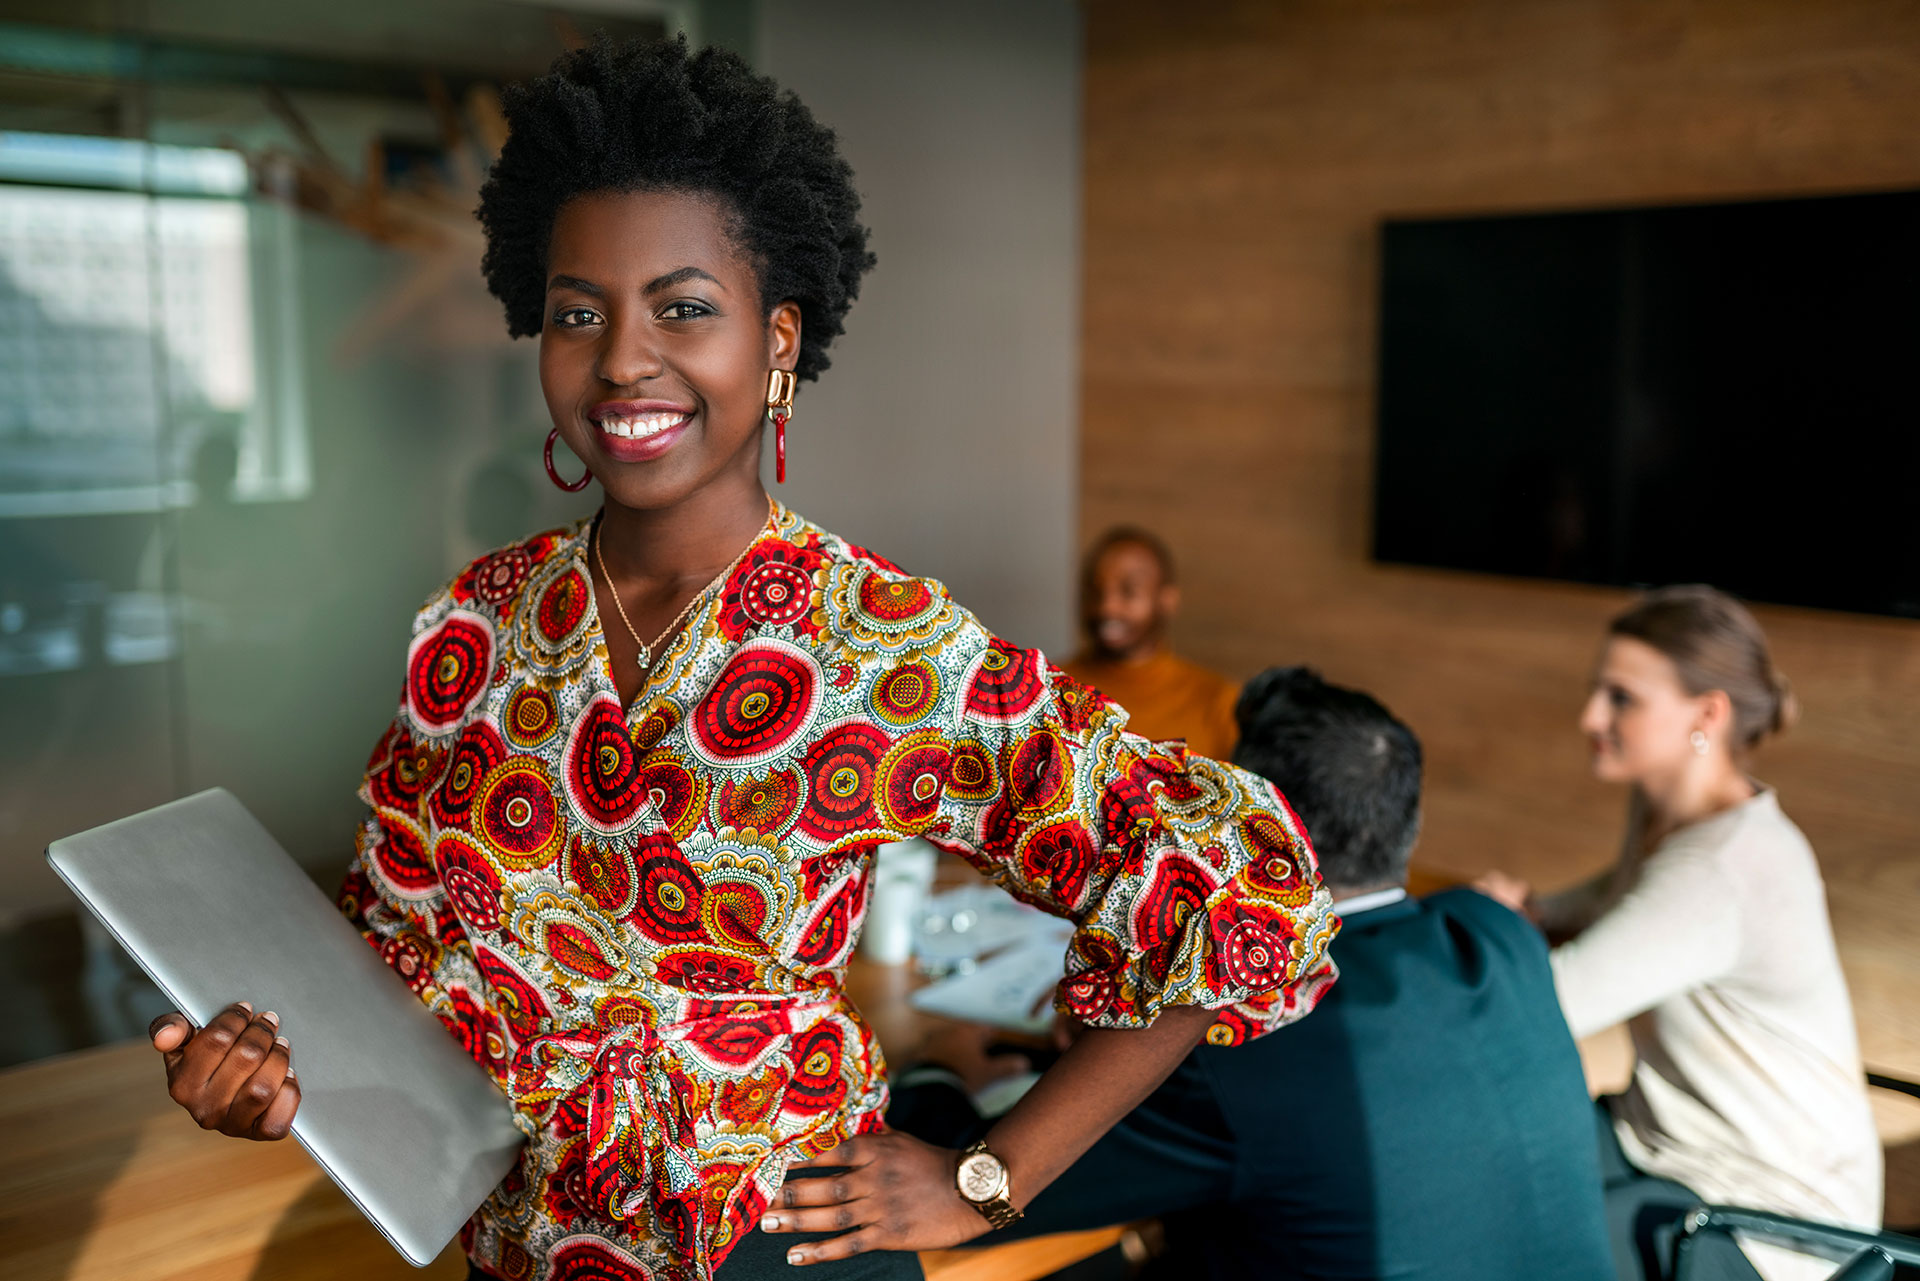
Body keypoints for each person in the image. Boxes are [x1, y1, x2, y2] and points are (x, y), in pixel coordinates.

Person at [141, 37, 1338, 1281]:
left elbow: (1233, 883)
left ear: (776, 343)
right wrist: (279, 1078)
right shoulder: (475, 627)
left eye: (683, 307)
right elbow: (386, 960)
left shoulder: (880, 641)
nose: (619, 359)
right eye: (576, 314)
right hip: (528, 1248)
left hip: (780, 1251)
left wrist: (991, 1176)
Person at [892, 667, 1615, 1281]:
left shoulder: (1241, 1026)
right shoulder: (1492, 932)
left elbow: (1007, 1193)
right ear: (1409, 823)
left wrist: (938, 1076)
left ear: (1256, 825)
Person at [1477, 586, 1882, 1281]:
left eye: (1621, 698)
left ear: (1708, 713)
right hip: (1667, 1147)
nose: (1590, 716)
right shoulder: (1673, 815)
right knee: (1487, 1163)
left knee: (1498, 1230)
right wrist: (1534, 910)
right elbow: (1616, 898)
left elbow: (1550, 1009)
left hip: (1769, 1219)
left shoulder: (1725, 865)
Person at [1061, 527, 1240, 761]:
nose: (1107, 607)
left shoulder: (1220, 703)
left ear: (1167, 600)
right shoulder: (1050, 689)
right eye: (1095, 592)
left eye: (1128, 592)